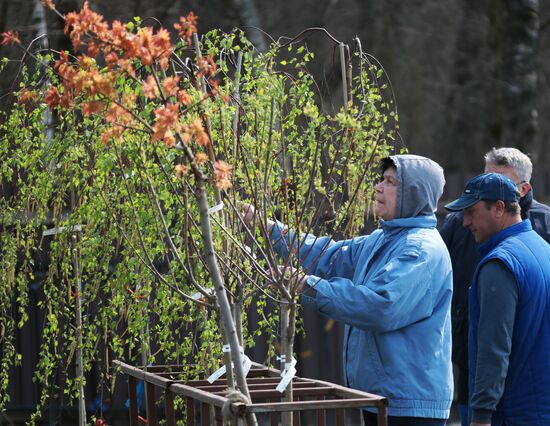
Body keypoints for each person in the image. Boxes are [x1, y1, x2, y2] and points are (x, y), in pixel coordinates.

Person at [243, 154, 453, 425]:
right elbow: (328, 255)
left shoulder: (420, 250)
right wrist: (269, 228)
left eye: (390, 182)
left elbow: (380, 306)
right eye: (382, 179)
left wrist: (307, 284)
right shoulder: (383, 240)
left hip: (409, 405)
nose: (378, 187)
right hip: (384, 396)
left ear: (413, 194)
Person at [439, 147, 550, 426]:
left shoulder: (500, 264)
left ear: (500, 208)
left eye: (472, 213)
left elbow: (494, 347)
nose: (465, 222)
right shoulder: (542, 249)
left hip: (509, 410)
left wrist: (481, 416)